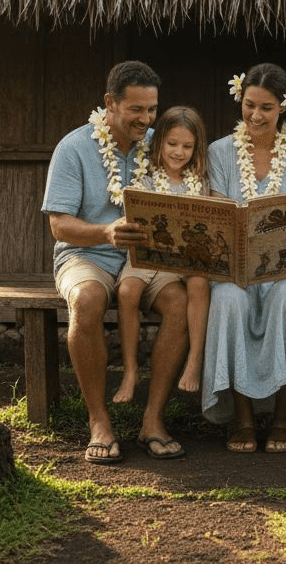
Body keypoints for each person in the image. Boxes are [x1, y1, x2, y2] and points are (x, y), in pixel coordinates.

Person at [42, 61, 189, 463]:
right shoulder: (73, 147)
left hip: (147, 260)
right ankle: (99, 420)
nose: (146, 119)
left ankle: (153, 420)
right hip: (87, 253)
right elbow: (59, 225)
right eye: (136, 110)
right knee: (87, 301)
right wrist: (105, 232)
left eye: (151, 109)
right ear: (110, 103)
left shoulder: (162, 144)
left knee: (180, 303)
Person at [203, 63, 286, 453]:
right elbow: (217, 211)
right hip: (236, 265)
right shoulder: (219, 151)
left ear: (283, 107)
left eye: (266, 108)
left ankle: (285, 418)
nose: (256, 115)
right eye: (249, 105)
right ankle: (242, 418)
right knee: (227, 299)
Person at [113, 106, 213, 403]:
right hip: (146, 257)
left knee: (198, 281)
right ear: (159, 144)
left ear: (196, 149)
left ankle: (194, 360)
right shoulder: (144, 179)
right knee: (128, 291)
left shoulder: (201, 183)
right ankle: (130, 370)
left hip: (181, 263)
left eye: (187, 146)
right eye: (172, 144)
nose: (179, 152)